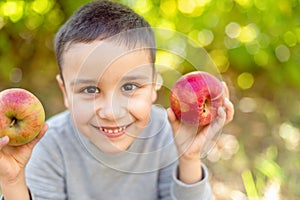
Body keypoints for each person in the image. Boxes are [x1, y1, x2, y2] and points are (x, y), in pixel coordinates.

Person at [0, 1, 234, 199]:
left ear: (154, 86)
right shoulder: (49, 147)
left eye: (130, 86)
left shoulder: (165, 135)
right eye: (90, 89)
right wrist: (12, 183)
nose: (111, 112)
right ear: (65, 92)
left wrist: (189, 158)